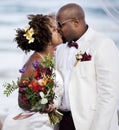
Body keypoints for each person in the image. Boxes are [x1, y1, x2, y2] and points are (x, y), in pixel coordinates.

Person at [55, 3, 119, 130]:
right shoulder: (61, 49)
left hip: (89, 123)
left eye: (60, 24)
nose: (57, 29)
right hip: (63, 121)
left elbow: (109, 94)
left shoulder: (102, 44)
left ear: (75, 22)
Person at [2, 14, 63, 130]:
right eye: (55, 30)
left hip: (42, 122)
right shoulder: (36, 62)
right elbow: (22, 101)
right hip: (32, 124)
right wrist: (44, 106)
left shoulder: (45, 59)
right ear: (47, 38)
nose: (59, 31)